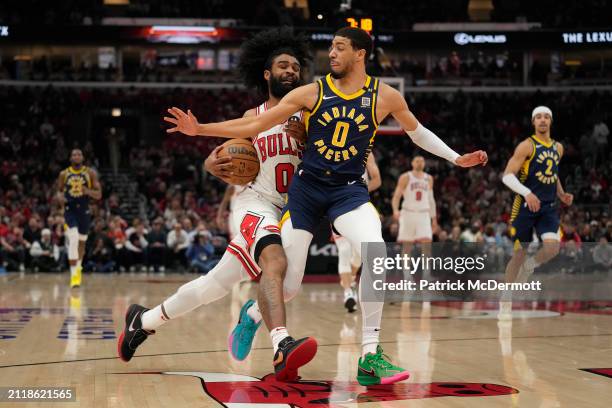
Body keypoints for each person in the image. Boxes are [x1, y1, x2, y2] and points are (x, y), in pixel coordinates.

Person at [165, 27, 487, 385]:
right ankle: (253, 314)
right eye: (331, 47)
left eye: (339, 47)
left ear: (360, 53)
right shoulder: (312, 92)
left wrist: (457, 158)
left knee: (377, 251)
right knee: (288, 287)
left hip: (347, 192)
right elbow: (255, 123)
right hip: (304, 191)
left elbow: (417, 131)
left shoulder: (385, 96)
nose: (331, 54)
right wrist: (200, 130)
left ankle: (369, 355)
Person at [118, 28, 317, 382]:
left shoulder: (310, 116)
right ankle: (281, 345)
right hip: (256, 203)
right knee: (274, 262)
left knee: (221, 286)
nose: (291, 71)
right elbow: (223, 155)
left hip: (293, 209)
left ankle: (144, 321)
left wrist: (313, 143)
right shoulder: (253, 115)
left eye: (296, 67)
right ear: (268, 74)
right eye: (283, 65)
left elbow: (329, 159)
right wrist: (209, 159)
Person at [500, 106, 573, 319]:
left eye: (546, 117)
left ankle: (531, 267)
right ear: (533, 122)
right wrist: (527, 193)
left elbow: (553, 172)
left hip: (548, 207)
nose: (543, 120)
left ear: (551, 121)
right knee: (519, 254)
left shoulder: (558, 147)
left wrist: (561, 193)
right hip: (524, 206)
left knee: (553, 248)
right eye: (539, 117)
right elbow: (507, 176)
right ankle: (507, 295)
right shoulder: (527, 146)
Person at [334, 152, 381, 313]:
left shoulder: (366, 150)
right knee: (344, 250)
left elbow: (377, 179)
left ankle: (350, 280)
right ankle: (348, 293)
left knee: (359, 255)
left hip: (359, 206)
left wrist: (356, 191)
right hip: (337, 205)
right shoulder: (333, 149)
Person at [57, 149, 102, 287]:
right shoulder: (64, 174)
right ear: (70, 158)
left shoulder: (90, 173)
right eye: (74, 154)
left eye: (79, 154)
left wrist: (87, 191)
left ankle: (78, 268)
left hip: (84, 210)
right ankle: (74, 275)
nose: (77, 156)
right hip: (70, 210)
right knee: (74, 238)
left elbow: (99, 194)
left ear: (82, 157)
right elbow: (59, 191)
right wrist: (60, 200)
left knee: (82, 241)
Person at [391, 155, 437, 279]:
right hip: (408, 213)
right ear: (412, 163)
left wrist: (434, 218)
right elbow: (396, 196)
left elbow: (431, 199)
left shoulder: (429, 178)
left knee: (427, 245)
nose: (420, 163)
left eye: (422, 161)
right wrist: (395, 210)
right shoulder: (405, 177)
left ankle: (426, 275)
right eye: (417, 160)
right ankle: (407, 276)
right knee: (407, 246)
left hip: (423, 213)